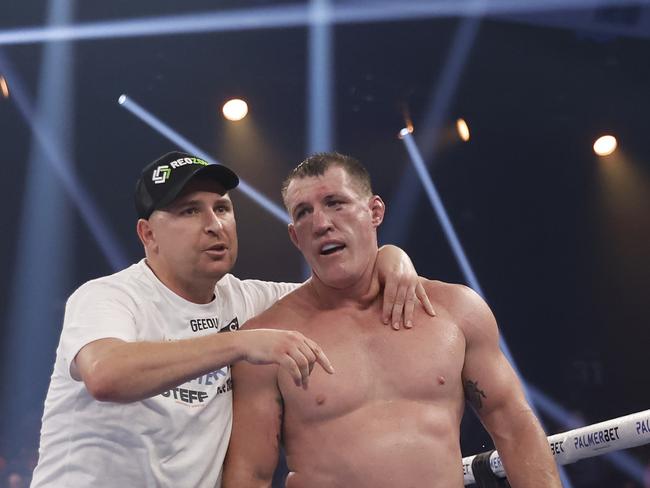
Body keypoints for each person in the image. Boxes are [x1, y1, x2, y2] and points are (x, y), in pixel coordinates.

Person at [30, 151, 434, 488]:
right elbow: (106, 375)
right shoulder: (110, 296)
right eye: (189, 211)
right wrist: (240, 342)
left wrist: (391, 257)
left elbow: (338, 282)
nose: (213, 224)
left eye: (221, 208)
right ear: (148, 235)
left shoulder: (252, 300)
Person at [223, 152, 562, 487]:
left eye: (335, 203)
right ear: (296, 237)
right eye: (304, 213)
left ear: (375, 212)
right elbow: (250, 473)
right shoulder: (269, 341)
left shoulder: (456, 310)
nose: (321, 223)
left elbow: (514, 427)